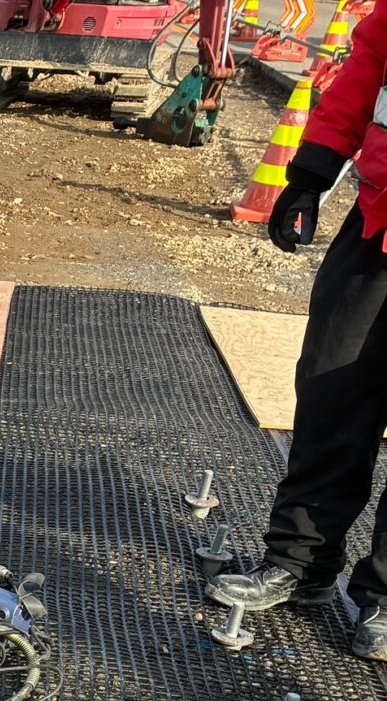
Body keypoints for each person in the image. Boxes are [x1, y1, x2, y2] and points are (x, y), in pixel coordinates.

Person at [220, 6, 387, 659]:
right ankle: (301, 564)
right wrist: (310, 177)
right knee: (330, 395)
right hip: (376, 229)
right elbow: (363, 76)